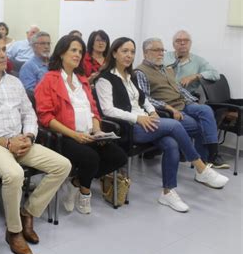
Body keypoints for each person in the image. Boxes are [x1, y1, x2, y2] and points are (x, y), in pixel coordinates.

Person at [0, 32, 71, 254]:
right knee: (15, 175)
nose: (2, 55)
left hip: (20, 141)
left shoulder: (14, 82)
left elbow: (29, 113)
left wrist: (28, 135)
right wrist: (5, 142)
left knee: (63, 165)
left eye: (3, 50)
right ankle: (14, 231)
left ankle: (28, 212)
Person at [95, 37, 229, 212]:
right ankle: (201, 168)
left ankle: (168, 192)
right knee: (175, 126)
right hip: (129, 127)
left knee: (171, 144)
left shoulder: (130, 76)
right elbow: (108, 110)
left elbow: (144, 99)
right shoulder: (105, 79)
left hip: (146, 121)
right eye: (124, 51)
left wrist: (151, 112)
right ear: (114, 53)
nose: (129, 55)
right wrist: (138, 118)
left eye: (132, 52)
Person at [35, 35, 127, 214]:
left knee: (119, 157)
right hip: (63, 137)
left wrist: (98, 130)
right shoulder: (49, 79)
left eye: (80, 52)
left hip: (88, 133)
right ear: (61, 53)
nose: (78, 55)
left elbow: (93, 110)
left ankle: (75, 183)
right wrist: (74, 134)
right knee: (90, 158)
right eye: (73, 50)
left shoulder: (82, 79)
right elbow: (46, 117)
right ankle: (84, 191)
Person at [135, 37, 229, 169]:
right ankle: (204, 163)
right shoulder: (140, 72)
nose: (161, 53)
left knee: (206, 109)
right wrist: (169, 108)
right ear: (146, 53)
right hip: (168, 109)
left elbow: (178, 88)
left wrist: (193, 102)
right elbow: (145, 99)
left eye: (162, 50)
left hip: (183, 103)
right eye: (157, 50)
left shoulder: (165, 68)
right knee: (200, 126)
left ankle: (212, 154)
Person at [164, 30, 220, 95]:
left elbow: (215, 74)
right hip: (165, 95)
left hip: (186, 97)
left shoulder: (198, 61)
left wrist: (195, 76)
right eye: (178, 41)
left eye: (186, 40)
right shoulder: (164, 57)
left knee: (204, 106)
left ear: (190, 44)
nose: (182, 43)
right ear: (173, 44)